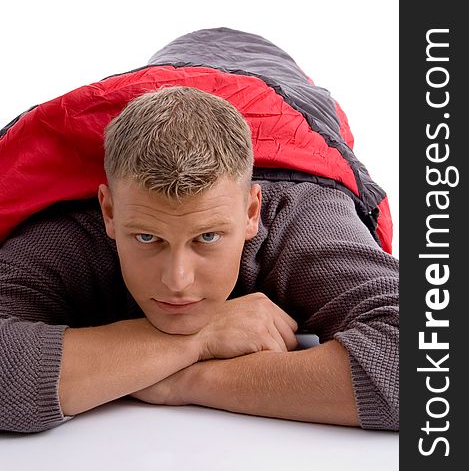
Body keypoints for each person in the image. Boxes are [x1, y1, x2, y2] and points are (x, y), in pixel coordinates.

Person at [0, 27, 399, 433]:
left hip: (279, 93)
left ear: (250, 211)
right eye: (147, 237)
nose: (177, 280)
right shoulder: (68, 232)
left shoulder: (303, 216)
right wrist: (199, 340)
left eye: (207, 237)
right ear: (109, 212)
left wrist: (189, 382)